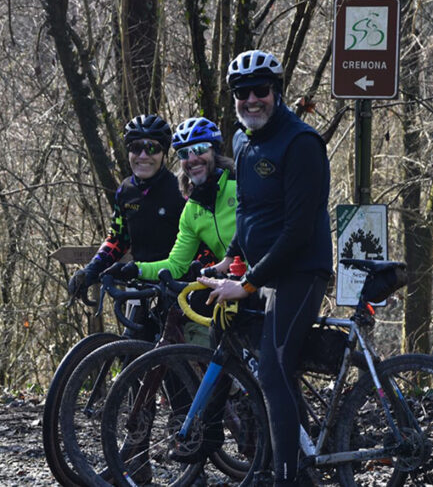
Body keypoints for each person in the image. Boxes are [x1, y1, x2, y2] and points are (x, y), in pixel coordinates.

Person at [199, 49, 333, 487]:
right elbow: (248, 211)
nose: (251, 100)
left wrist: (249, 283)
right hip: (264, 271)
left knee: (274, 371)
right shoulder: (240, 140)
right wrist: (230, 259)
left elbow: (296, 231)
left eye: (260, 90)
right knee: (269, 366)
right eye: (242, 92)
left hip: (300, 270)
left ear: (277, 92)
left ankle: (286, 479)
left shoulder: (301, 143)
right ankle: (296, 472)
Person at [103, 116, 237, 346]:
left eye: (200, 149)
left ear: (215, 151)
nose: (193, 158)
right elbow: (176, 264)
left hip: (263, 280)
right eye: (185, 153)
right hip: (228, 289)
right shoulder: (192, 209)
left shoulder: (240, 186)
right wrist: (134, 269)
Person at [67, 114, 184, 339]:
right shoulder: (125, 190)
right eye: (135, 147)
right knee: (132, 358)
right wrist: (90, 271)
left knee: (179, 367)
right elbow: (118, 239)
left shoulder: (181, 190)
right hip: (139, 289)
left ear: (164, 153)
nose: (143, 155)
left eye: (152, 148)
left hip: (178, 290)